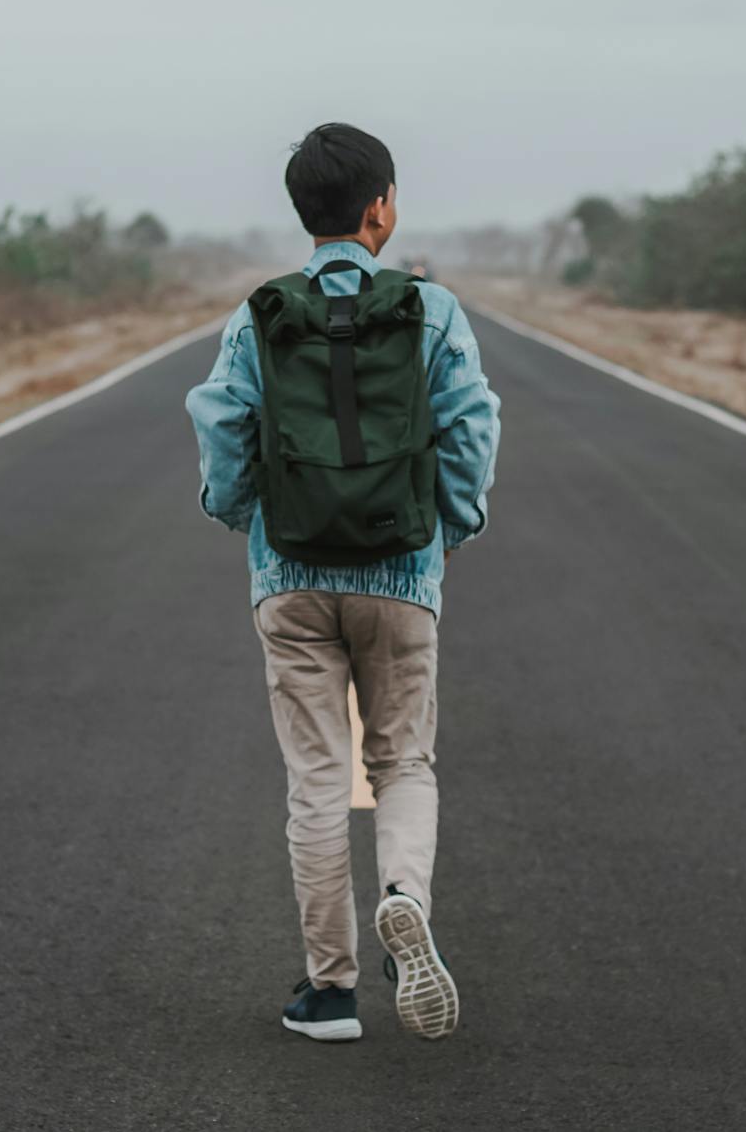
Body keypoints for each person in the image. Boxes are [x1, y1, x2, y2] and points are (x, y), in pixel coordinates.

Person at [184, 123, 501, 1043]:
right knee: (402, 761)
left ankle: (329, 992)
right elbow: (472, 428)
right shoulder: (432, 312)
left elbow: (222, 431)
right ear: (380, 210)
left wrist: (243, 513)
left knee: (317, 777)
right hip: (400, 571)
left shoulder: (259, 315)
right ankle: (404, 897)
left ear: (304, 214)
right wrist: (450, 527)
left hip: (289, 573)